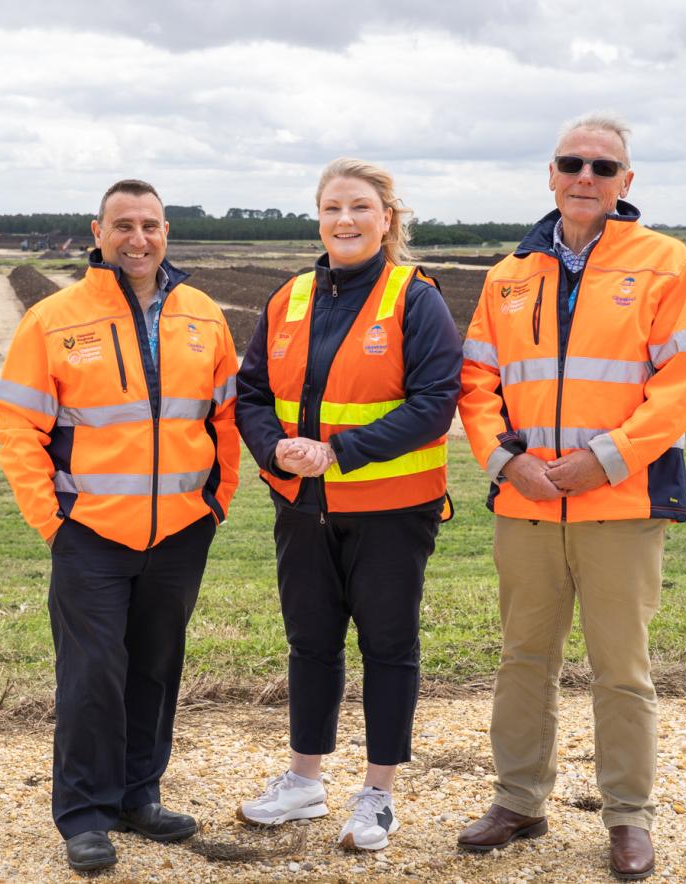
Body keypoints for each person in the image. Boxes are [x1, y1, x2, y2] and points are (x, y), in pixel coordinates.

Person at [454, 113, 686, 880]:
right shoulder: (507, 273)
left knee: (621, 668)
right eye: (573, 163)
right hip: (527, 501)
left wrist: (607, 459)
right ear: (552, 174)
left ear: (627, 183)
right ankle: (519, 799)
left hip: (621, 504)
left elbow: (681, 384)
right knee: (523, 659)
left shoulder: (668, 264)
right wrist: (506, 463)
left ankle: (628, 815)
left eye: (604, 168)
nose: (586, 178)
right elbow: (476, 382)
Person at [0, 179, 241, 873]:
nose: (139, 237)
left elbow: (224, 417)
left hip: (181, 531)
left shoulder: (202, 315)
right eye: (124, 224)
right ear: (97, 233)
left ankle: (139, 795)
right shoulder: (53, 319)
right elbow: (18, 426)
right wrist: (52, 520)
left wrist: (216, 501)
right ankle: (84, 815)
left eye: (152, 224)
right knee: (91, 673)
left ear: (168, 233)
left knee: (156, 668)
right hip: (90, 533)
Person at [234, 158, 462, 851]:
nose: (345, 220)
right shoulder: (290, 297)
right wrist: (276, 450)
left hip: (392, 512)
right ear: (319, 217)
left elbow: (434, 404)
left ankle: (377, 795)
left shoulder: (414, 298)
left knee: (389, 648)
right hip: (303, 509)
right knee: (310, 643)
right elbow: (248, 393)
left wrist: (338, 451)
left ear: (387, 219)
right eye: (332, 207)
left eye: (360, 207)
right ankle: (304, 781)